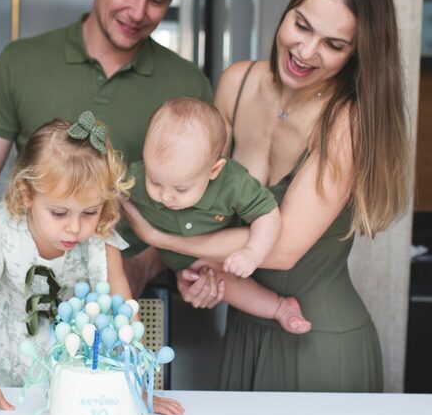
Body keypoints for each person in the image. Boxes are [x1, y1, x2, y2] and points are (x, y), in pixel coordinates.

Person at [121, 0, 410, 392]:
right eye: (301, 25)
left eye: (334, 45)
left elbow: (282, 249)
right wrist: (192, 273)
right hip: (243, 329)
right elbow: (197, 202)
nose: (306, 51)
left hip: (320, 340)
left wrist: (164, 241)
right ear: (288, 10)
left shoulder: (347, 123)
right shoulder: (238, 84)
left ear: (356, 54)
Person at [0, 0, 213, 296]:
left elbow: (199, 206)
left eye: (157, 0)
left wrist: (141, 268)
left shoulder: (187, 86)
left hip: (129, 293)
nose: (138, 12)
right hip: (26, 289)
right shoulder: (20, 62)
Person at [0, 112, 184, 415]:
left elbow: (125, 313)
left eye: (89, 212)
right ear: (26, 194)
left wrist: (139, 385)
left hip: (77, 383)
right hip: (3, 377)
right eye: (59, 213)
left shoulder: (100, 241)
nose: (75, 228)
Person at [125, 97, 310, 333]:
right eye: (154, 181)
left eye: (181, 189)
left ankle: (280, 308)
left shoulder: (233, 183)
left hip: (221, 252)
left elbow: (268, 216)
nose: (165, 196)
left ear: (214, 170)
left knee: (225, 281)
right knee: (213, 282)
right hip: (185, 263)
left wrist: (252, 253)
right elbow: (112, 195)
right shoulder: (136, 178)